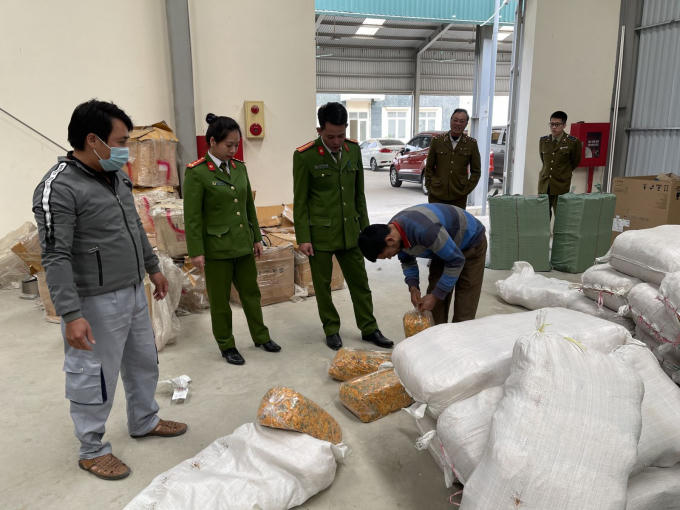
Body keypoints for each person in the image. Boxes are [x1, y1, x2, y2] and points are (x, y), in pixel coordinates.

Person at [32, 99, 187, 481]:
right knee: (93, 375)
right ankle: (92, 449)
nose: (125, 150)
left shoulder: (115, 176)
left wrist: (153, 269)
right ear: (93, 140)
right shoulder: (59, 187)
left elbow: (134, 227)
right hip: (94, 300)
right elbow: (55, 256)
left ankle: (144, 419)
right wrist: (71, 314)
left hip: (133, 290)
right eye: (120, 142)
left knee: (143, 361)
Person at [293, 102, 392, 350]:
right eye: (330, 136)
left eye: (341, 135)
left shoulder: (353, 150)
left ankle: (369, 328)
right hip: (320, 235)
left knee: (360, 284)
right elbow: (300, 201)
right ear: (319, 130)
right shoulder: (305, 156)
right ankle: (331, 329)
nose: (336, 141)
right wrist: (303, 237)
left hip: (351, 233)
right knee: (323, 287)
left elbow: (359, 195)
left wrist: (367, 231)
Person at [183, 114, 280, 366]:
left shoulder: (239, 168)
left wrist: (257, 238)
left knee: (251, 294)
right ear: (212, 142)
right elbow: (192, 217)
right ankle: (227, 345)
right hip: (216, 249)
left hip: (243, 245)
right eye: (229, 145)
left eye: (236, 145)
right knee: (220, 302)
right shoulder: (197, 173)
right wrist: (196, 251)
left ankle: (261, 336)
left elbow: (248, 206)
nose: (233, 149)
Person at [358, 203, 487, 325]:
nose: (390, 258)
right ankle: (438, 337)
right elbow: (407, 259)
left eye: (387, 255)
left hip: (471, 242)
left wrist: (436, 296)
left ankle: (459, 339)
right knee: (433, 308)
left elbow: (456, 260)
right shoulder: (392, 232)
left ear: (390, 240)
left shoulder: (426, 230)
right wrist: (413, 286)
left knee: (465, 305)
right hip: (442, 247)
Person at [423, 108, 481, 209]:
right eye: (455, 120)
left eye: (461, 121)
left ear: (466, 124)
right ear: (450, 121)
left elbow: (476, 171)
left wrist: (466, 190)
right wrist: (430, 187)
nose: (458, 124)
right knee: (437, 219)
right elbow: (429, 167)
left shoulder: (471, 144)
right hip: (436, 194)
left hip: (459, 196)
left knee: (456, 220)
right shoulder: (437, 141)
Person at [538, 110, 582, 216]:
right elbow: (544, 161)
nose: (554, 127)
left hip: (561, 185)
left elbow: (575, 161)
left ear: (564, 125)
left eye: (557, 124)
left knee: (561, 216)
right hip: (544, 185)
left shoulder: (573, 142)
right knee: (543, 216)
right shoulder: (544, 141)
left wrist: (563, 172)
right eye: (551, 124)